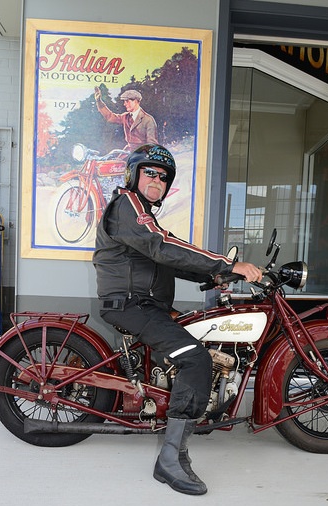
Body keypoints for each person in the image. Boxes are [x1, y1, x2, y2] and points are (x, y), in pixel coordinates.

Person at [93, 143, 263, 495]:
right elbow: (162, 246)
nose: (157, 179)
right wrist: (226, 264)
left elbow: (162, 258)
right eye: (150, 172)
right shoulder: (127, 206)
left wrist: (216, 277)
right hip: (129, 304)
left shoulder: (141, 214)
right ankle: (170, 458)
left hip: (145, 304)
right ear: (134, 174)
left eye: (164, 176)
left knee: (199, 339)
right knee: (195, 358)